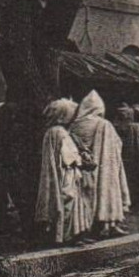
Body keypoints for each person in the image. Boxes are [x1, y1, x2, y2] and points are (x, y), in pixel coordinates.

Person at [69, 90, 131, 240]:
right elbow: (116, 144)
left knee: (84, 198)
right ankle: (107, 224)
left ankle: (85, 227)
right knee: (104, 192)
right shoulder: (104, 125)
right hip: (102, 166)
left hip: (82, 167)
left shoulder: (74, 125)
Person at [34, 99, 85, 245]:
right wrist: (80, 159)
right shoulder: (60, 133)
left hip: (60, 171)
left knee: (61, 200)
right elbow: (68, 156)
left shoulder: (51, 131)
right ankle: (66, 236)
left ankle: (60, 234)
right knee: (68, 200)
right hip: (65, 173)